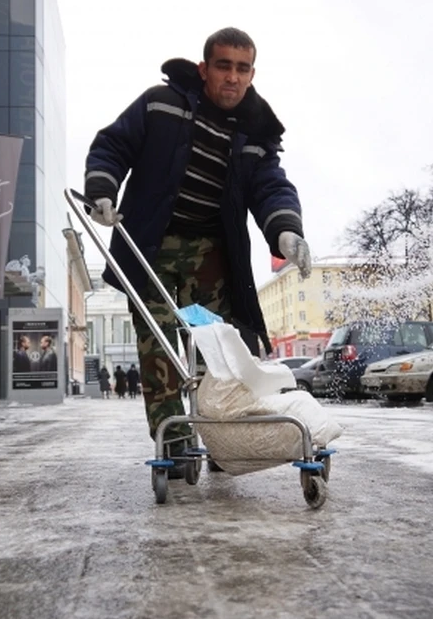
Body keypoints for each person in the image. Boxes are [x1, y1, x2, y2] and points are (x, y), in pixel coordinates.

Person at [82, 27, 312, 472]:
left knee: (216, 350)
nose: (232, 77)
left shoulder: (255, 134)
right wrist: (102, 189)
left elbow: (272, 188)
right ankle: (177, 444)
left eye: (242, 69)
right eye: (223, 66)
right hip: (151, 248)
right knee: (160, 346)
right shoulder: (160, 105)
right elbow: (114, 144)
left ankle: (222, 439)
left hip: (211, 259)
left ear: (252, 74)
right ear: (205, 68)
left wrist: (286, 231)